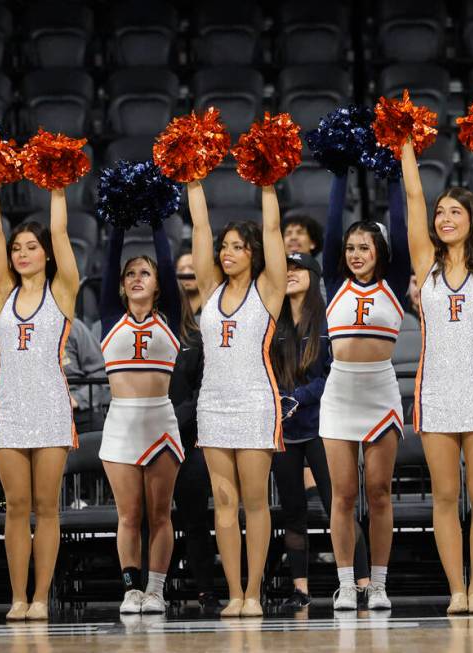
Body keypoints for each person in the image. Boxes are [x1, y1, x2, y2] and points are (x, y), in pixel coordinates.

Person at [402, 138, 473, 615]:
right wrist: (406, 146)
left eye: (454, 212)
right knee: (445, 496)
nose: (444, 218)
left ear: (471, 220)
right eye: (440, 212)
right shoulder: (425, 265)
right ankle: (456, 591)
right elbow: (411, 199)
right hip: (437, 391)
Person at [187, 177, 287, 618]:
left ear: (253, 254)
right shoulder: (209, 290)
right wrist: (193, 179)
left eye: (237, 247)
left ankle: (254, 592)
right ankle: (233, 593)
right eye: (224, 246)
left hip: (255, 402)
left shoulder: (268, 290)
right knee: (223, 503)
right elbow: (199, 227)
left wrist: (267, 184)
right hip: (213, 405)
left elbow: (273, 232)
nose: (226, 252)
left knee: (255, 501)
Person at [0, 182, 80, 621]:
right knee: (16, 507)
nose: (21, 253)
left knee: (46, 507)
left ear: (46, 254)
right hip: (10, 411)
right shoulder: (3, 292)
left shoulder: (62, 293)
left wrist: (57, 189)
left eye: (31, 247)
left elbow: (61, 233)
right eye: (18, 247)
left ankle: (41, 597)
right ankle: (18, 597)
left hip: (51, 409)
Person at [319, 164, 409, 613]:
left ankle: (378, 583)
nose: (355, 254)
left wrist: (393, 171)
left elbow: (401, 221)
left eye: (365, 247)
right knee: (343, 494)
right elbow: (332, 225)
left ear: (380, 252)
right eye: (351, 248)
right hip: (340, 395)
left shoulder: (393, 284)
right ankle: (345, 582)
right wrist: (341, 171)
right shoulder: (334, 283)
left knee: (378, 492)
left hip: (380, 393)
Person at [270, 251, 370, 608]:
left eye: (298, 268)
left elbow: (334, 373)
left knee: (338, 505)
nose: (291, 273)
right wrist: (281, 400)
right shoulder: (271, 322)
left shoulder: (327, 320)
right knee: (292, 510)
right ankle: (301, 588)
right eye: (286, 268)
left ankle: (363, 582)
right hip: (284, 429)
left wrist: (299, 396)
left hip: (322, 425)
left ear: (314, 275)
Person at [98, 221, 184, 615]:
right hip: (121, 423)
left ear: (158, 284)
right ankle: (131, 588)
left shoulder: (170, 316)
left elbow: (167, 263)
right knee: (129, 514)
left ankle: (155, 589)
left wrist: (154, 220)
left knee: (160, 513)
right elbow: (110, 258)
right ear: (120, 285)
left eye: (144, 273)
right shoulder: (110, 316)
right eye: (130, 274)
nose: (137, 278)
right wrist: (116, 223)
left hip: (159, 421)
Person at [170, 269, 220, 612]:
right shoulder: (135, 334)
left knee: (195, 519)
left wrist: (174, 422)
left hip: (188, 439)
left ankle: (206, 590)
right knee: (148, 516)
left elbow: (203, 389)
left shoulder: (197, 337)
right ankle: (147, 587)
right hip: (146, 439)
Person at [176, 251, 203, 316]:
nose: (186, 273)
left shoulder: (214, 304)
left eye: (192, 268)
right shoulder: (172, 307)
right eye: (181, 269)